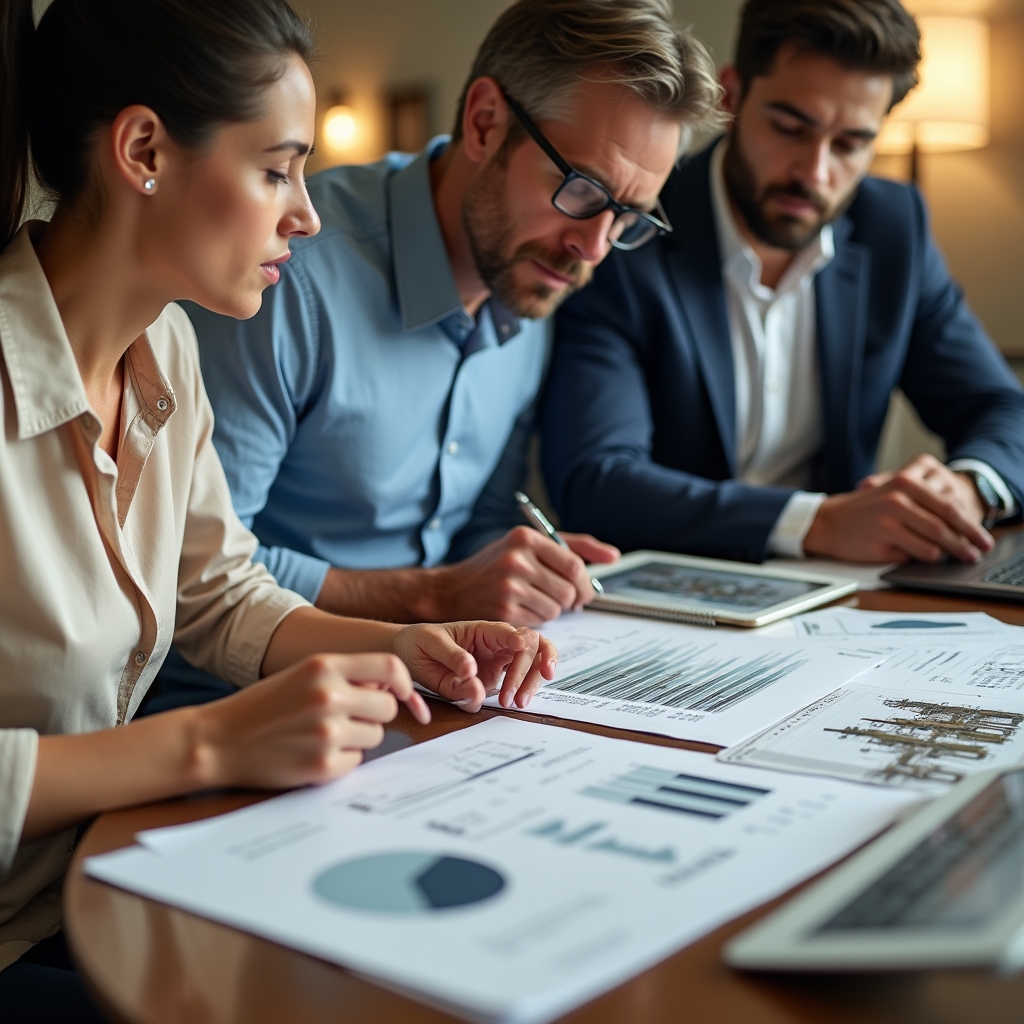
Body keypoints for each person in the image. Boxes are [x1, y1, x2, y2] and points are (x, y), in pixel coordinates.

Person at [0, 1, 556, 1018]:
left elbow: (217, 591)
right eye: (274, 169)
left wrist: (409, 641)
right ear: (143, 151)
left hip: (82, 888)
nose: (303, 212)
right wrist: (213, 743)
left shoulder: (163, 346)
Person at [158, 0, 723, 716]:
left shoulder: (532, 284)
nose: (594, 248)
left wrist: (517, 567)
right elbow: (192, 570)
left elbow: (479, 521)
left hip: (425, 701)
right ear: (485, 122)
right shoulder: (287, 280)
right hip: (236, 710)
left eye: (630, 216)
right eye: (582, 190)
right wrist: (436, 594)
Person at [541, 0, 1024, 567]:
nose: (815, 172)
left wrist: (969, 488)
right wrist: (816, 522)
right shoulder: (627, 231)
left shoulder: (895, 228)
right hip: (673, 596)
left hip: (849, 600)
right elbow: (596, 481)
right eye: (791, 128)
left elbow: (999, 407)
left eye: (850, 144)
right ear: (731, 95)